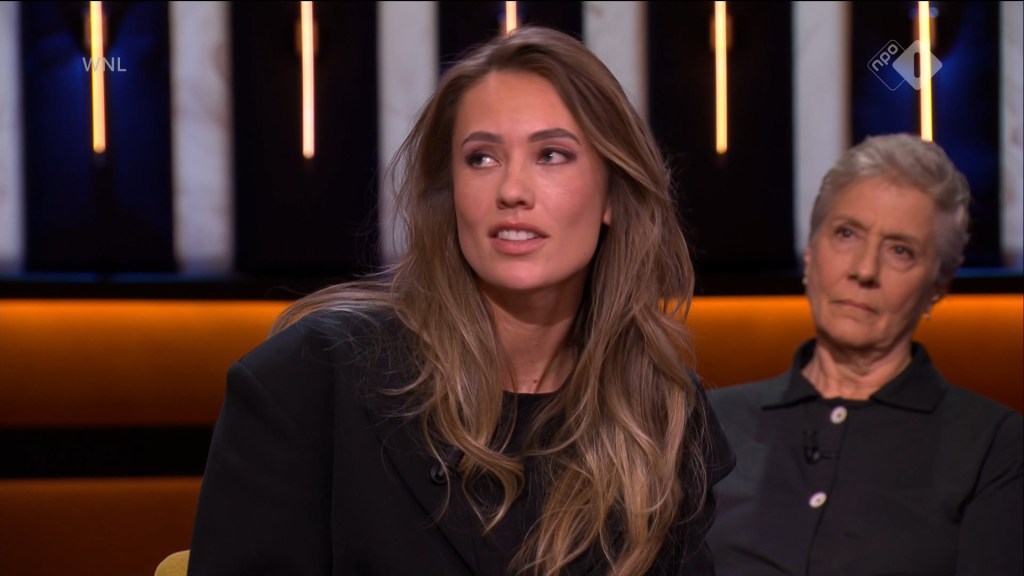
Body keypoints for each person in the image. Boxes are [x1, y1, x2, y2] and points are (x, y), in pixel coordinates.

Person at [188, 26, 733, 576]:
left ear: (612, 194)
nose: (512, 191)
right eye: (482, 159)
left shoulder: (658, 410)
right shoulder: (312, 379)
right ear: (450, 194)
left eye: (551, 155)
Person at [706, 133, 1023, 575]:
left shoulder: (994, 445)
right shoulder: (708, 422)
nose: (864, 270)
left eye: (900, 250)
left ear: (937, 287)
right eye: (847, 233)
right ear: (811, 253)